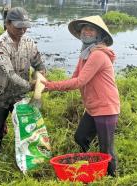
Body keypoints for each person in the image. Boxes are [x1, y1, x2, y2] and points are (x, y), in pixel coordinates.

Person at [41, 16, 120, 177]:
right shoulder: (85, 54)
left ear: (99, 35)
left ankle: (112, 178)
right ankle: (92, 165)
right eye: (84, 28)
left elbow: (79, 82)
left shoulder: (98, 55)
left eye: (91, 29)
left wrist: (49, 87)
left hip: (106, 108)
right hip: (93, 108)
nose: (86, 31)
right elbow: (74, 78)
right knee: (81, 137)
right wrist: (49, 83)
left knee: (107, 149)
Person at [0, 7, 46, 156]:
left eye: (25, 26)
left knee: (28, 129)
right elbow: (11, 74)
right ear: (7, 24)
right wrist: (30, 86)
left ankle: (28, 158)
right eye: (19, 26)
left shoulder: (29, 43)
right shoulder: (0, 45)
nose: (23, 30)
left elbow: (39, 64)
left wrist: (40, 76)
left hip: (19, 96)